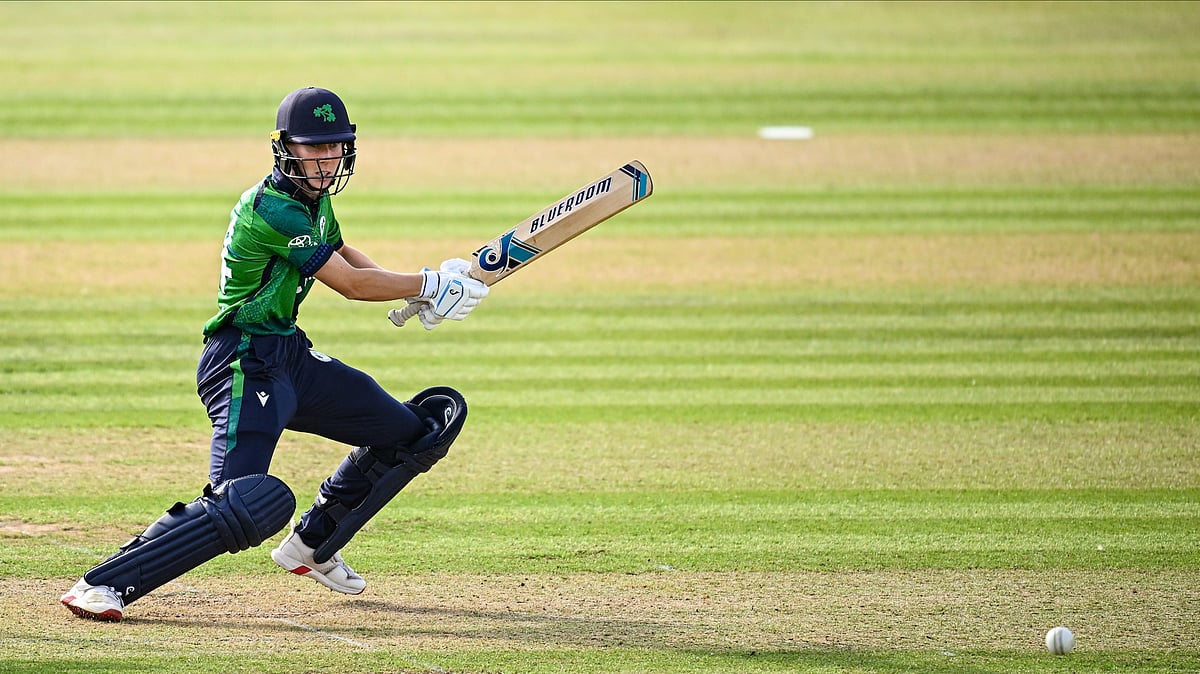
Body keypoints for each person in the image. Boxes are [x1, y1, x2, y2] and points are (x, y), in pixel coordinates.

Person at [60, 87, 488, 622]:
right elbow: (351, 284)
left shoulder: (315, 197)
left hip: (290, 359)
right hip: (241, 363)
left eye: (336, 147)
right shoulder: (272, 208)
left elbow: (343, 252)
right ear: (285, 147)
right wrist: (427, 282)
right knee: (245, 501)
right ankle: (102, 584)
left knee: (414, 431)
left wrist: (412, 288)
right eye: (314, 148)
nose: (326, 159)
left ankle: (313, 543)